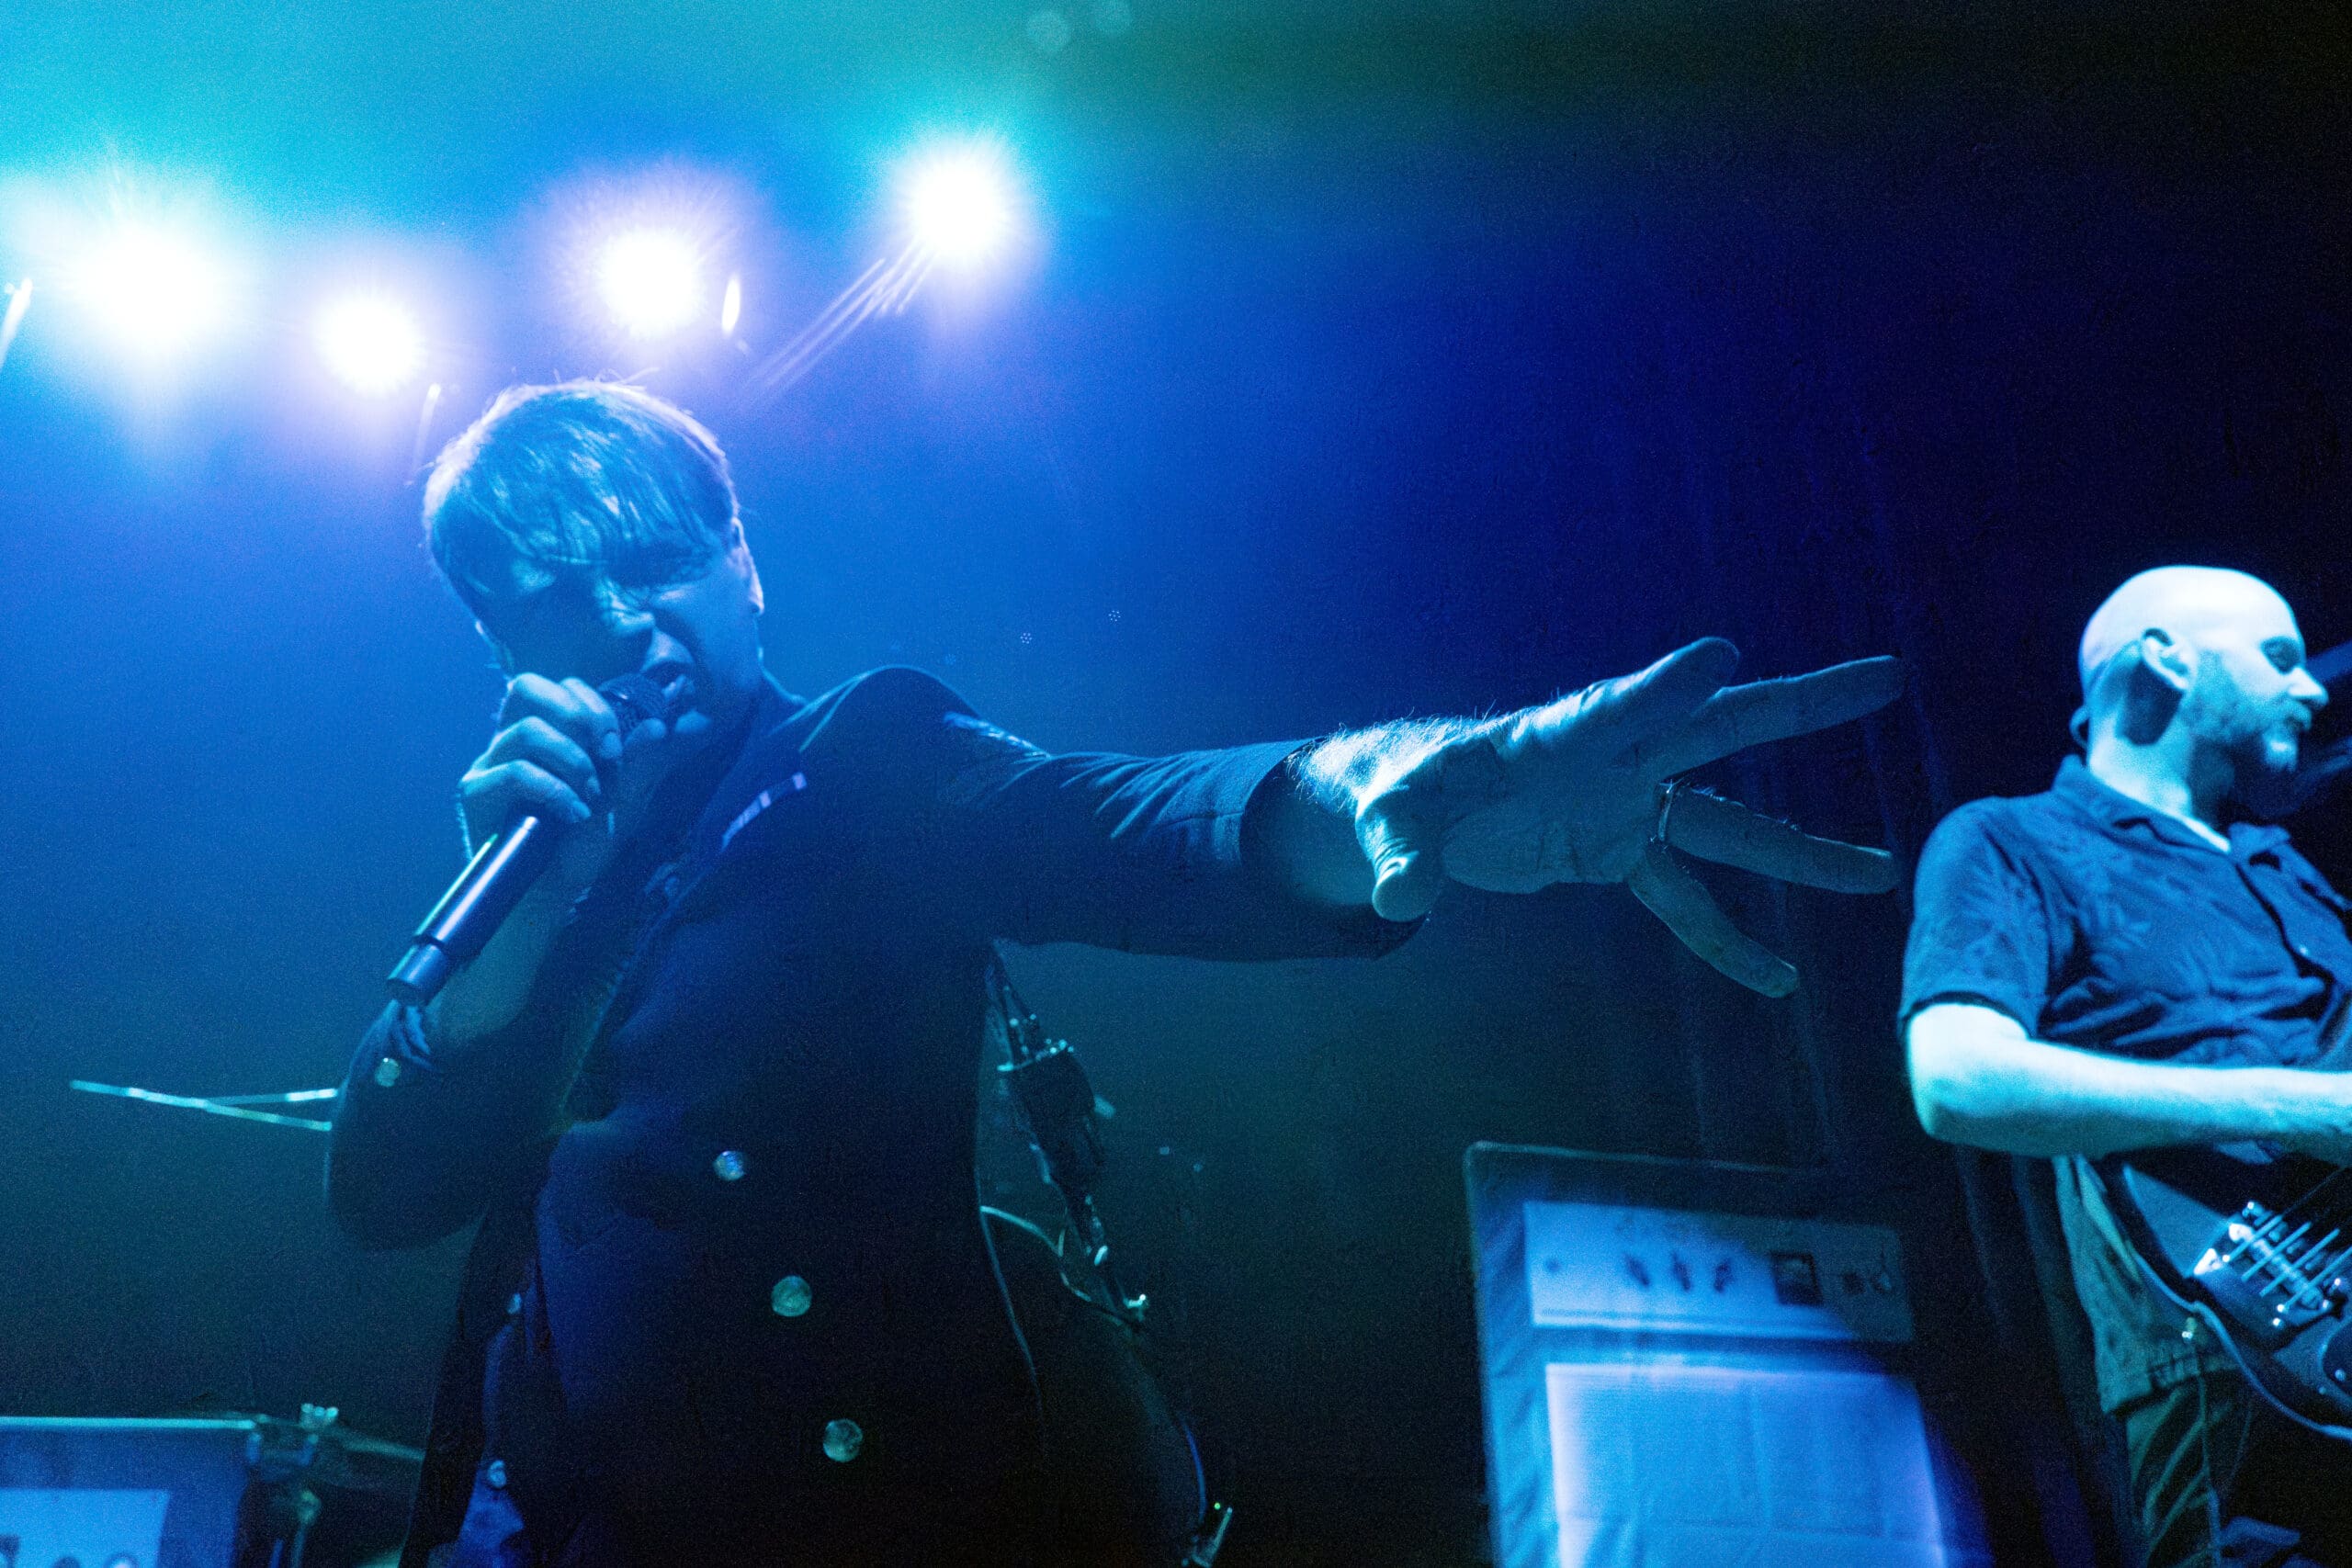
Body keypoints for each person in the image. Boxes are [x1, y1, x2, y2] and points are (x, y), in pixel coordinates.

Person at [328, 379, 1902, 1568]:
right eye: (559, 604)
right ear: (503, 651)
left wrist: (1385, 789)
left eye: (656, 563)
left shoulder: (860, 767)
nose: (624, 625)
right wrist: (524, 912)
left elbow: (1114, 822)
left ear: (743, 563)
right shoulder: (540, 872)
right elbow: (384, 1191)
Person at [1904, 566, 2352, 1568]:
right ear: (2164, 659)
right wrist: (2302, 1108)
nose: (2309, 686)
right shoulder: (2013, 840)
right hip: (2235, 1369)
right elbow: (1958, 1079)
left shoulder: (2289, 869)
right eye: (2278, 656)